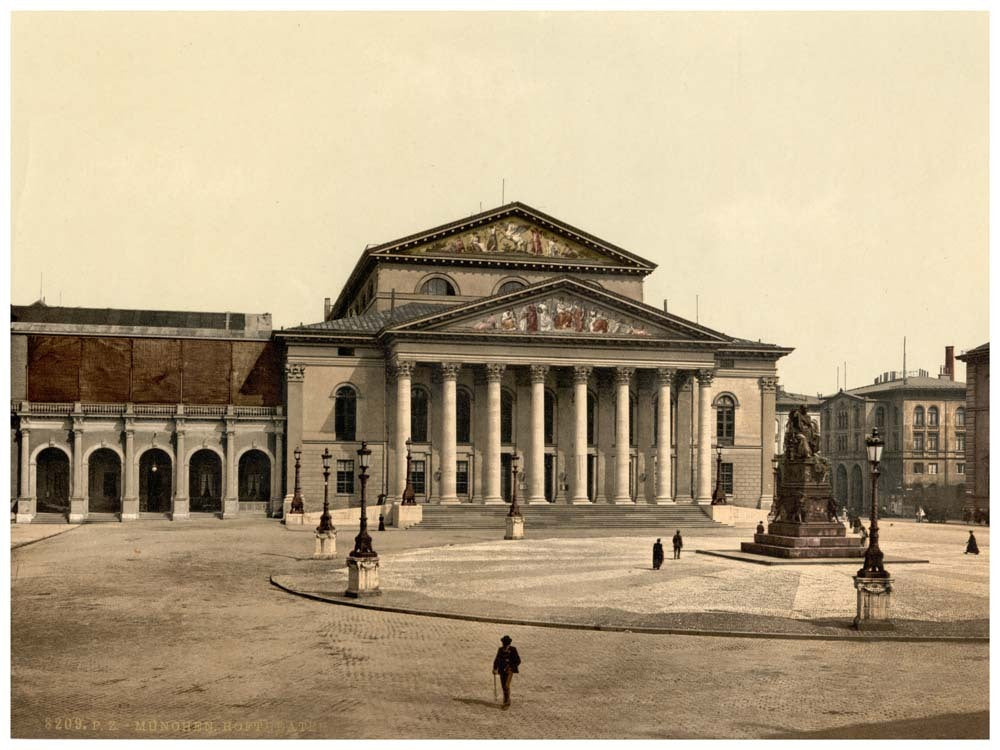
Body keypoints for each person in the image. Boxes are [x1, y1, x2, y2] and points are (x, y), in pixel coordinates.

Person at [492, 635, 521, 709]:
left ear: (509, 644)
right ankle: (506, 700)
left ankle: (507, 703)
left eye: (506, 644)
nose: (504, 645)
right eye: (504, 643)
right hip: (501, 670)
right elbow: (497, 659)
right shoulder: (500, 650)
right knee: (503, 686)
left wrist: (511, 667)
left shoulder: (513, 650)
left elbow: (518, 661)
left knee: (506, 686)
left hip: (509, 671)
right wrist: (494, 668)